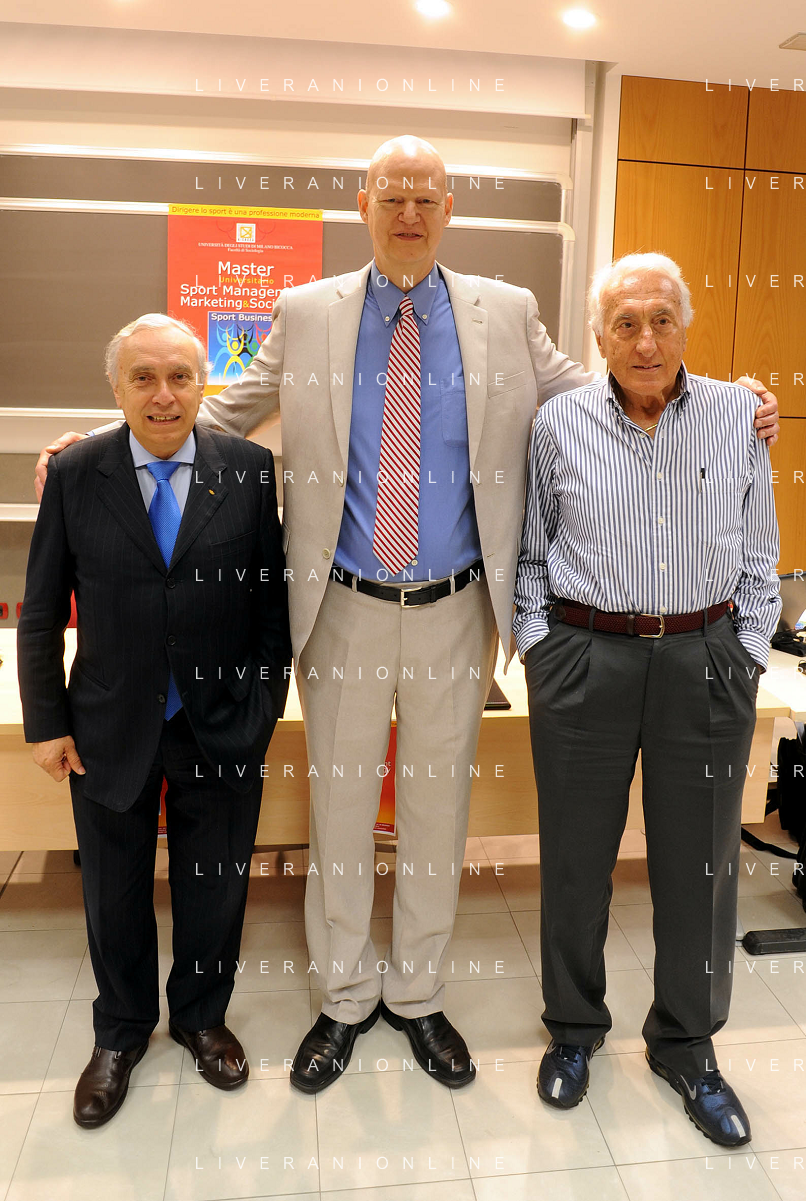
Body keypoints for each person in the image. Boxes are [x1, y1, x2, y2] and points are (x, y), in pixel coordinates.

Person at [34, 137, 780, 1096]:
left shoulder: (506, 312)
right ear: (364, 205)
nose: (410, 213)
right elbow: (220, 411)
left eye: (427, 196)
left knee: (437, 814)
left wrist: (726, 396)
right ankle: (345, 998)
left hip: (455, 609)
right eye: (392, 195)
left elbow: (609, 386)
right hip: (341, 605)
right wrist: (101, 443)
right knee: (340, 811)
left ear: (450, 208)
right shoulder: (307, 312)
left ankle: (419, 994)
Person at [513, 253, 781, 1147]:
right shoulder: (557, 423)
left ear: (685, 327)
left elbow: (761, 549)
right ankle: (574, 1028)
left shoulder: (740, 416)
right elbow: (531, 552)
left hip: (704, 660)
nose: (646, 339)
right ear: (599, 336)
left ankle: (687, 1044)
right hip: (585, 657)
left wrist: (745, 654)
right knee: (576, 862)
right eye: (625, 323)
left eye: (662, 319)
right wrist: (542, 649)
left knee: (699, 868)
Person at [18, 314, 291, 1127]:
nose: (163, 394)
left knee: (217, 886)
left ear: (203, 384)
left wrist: (261, 707)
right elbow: (40, 610)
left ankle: (202, 1017)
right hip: (107, 724)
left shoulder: (249, 470)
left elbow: (271, 606)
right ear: (117, 388)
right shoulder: (77, 473)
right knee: (113, 891)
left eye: (179, 376)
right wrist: (46, 721)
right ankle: (121, 1031)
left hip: (221, 722)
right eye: (144, 377)